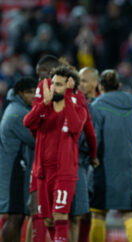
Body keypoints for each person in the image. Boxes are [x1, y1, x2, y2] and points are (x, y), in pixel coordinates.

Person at [23, 65, 87, 241]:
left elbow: (75, 128)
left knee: (60, 216)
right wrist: (43, 103)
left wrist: (67, 97)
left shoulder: (78, 110)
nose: (53, 87)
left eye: (59, 84)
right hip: (42, 174)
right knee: (49, 220)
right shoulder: (45, 109)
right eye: (53, 84)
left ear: (69, 87)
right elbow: (27, 122)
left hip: (64, 174)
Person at [90, 69, 132, 242]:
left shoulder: (96, 106)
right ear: (119, 86)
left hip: (104, 168)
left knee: (98, 215)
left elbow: (94, 139)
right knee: (130, 215)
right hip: (130, 168)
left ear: (100, 87)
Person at [0, 77, 37, 242]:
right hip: (14, 171)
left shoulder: (17, 108)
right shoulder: (17, 113)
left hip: (17, 169)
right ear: (20, 93)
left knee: (19, 216)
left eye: (35, 91)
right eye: (30, 92)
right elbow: (35, 140)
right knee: (15, 216)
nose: (34, 95)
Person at [68, 67, 100, 242]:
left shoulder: (99, 106)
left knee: (85, 212)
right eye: (79, 80)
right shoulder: (76, 102)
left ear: (95, 83)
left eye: (85, 80)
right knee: (74, 212)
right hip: (78, 162)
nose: (81, 84)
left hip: (90, 164)